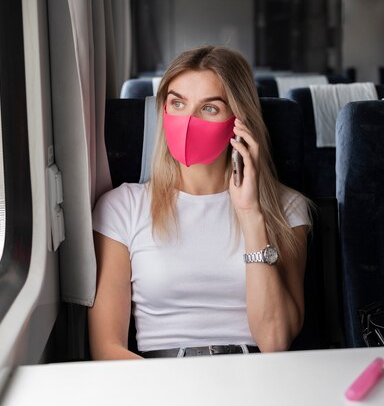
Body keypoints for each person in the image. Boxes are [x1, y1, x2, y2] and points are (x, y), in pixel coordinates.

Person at [89, 46, 311, 360]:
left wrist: (250, 213)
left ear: (239, 120)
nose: (188, 120)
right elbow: (106, 349)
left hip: (255, 378)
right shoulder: (121, 207)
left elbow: (275, 340)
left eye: (209, 108)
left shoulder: (286, 207)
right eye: (178, 103)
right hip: (160, 382)